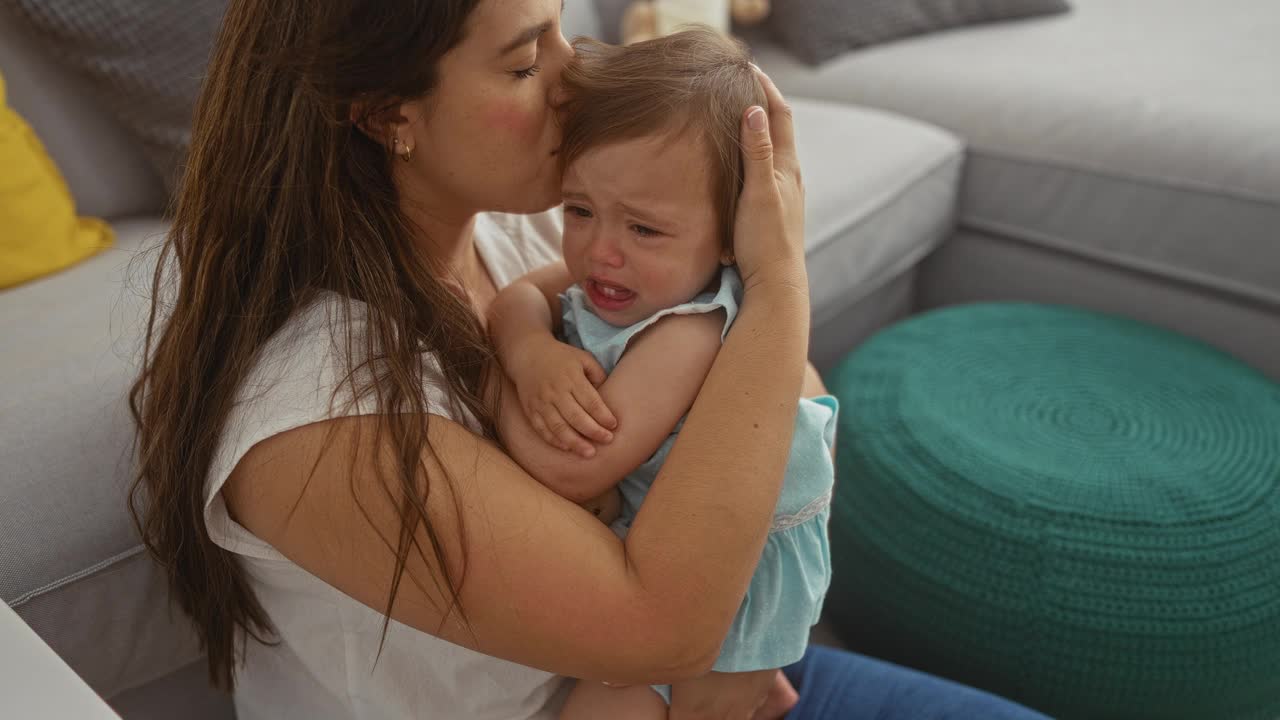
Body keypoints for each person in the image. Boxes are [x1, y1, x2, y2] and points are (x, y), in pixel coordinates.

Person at [127, 1, 1052, 718]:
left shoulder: (538, 235)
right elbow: (659, 624)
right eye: (528, 61)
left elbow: (801, 404)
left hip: (719, 663)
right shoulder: (318, 414)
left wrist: (753, 640)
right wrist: (775, 286)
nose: (576, 79)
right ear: (385, 115)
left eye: (566, 33)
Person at [487, 31, 837, 719]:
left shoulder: (688, 328)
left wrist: (491, 379)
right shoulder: (622, 273)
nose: (600, 252)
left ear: (733, 235)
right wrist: (532, 353)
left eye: (645, 230)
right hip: (679, 532)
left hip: (731, 594)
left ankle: (748, 686)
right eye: (579, 210)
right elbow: (517, 299)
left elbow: (573, 470)